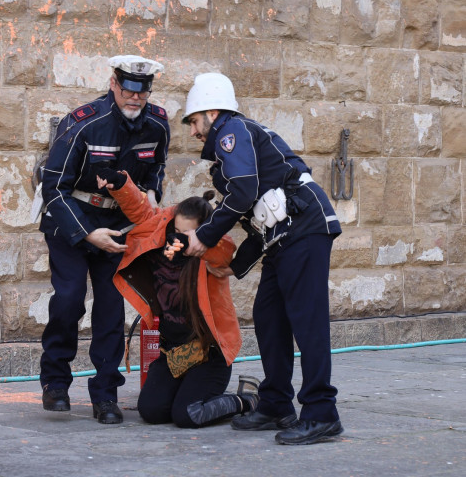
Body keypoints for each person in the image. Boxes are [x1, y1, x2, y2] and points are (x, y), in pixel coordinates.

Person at [180, 72, 343, 445]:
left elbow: (244, 193)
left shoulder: (230, 132)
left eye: (193, 121)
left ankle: (321, 412)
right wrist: (233, 266)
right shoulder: (229, 145)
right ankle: (275, 404)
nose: (192, 132)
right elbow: (256, 215)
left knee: (307, 322)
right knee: (270, 318)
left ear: (212, 111)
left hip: (304, 229)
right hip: (284, 237)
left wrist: (204, 237)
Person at [38, 55, 171, 424]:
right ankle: (55, 382)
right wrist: (86, 233)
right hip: (73, 219)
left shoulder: (158, 123)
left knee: (111, 308)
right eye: (128, 91)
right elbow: (53, 185)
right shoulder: (84, 123)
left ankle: (106, 395)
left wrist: (152, 192)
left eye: (141, 94)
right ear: (114, 84)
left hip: (119, 225)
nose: (134, 100)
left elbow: (156, 167)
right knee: (68, 300)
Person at [96, 169, 261, 428]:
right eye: (177, 230)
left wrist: (196, 245)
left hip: (208, 355)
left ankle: (246, 400)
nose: (179, 237)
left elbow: (224, 251)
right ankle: (187, 391)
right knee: (151, 412)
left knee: (188, 415)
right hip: (173, 353)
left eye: (189, 234)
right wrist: (120, 184)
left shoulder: (210, 252)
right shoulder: (160, 234)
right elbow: (142, 211)